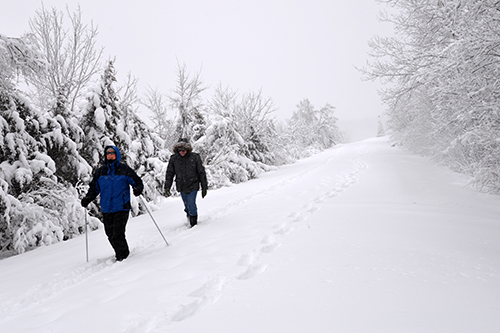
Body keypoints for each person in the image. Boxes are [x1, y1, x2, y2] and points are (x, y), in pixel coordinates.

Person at [81, 145, 143, 261]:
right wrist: (88, 198)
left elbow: (137, 181)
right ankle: (121, 253)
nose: (110, 156)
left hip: (122, 207)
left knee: (118, 233)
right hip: (106, 208)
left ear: (117, 155)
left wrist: (138, 188)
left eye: (112, 154)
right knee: (110, 234)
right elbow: (94, 188)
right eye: (108, 154)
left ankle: (122, 257)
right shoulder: (101, 172)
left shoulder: (124, 169)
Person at [164, 138, 208, 227]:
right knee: (186, 205)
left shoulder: (195, 157)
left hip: (193, 184)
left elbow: (201, 173)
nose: (182, 152)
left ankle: (193, 223)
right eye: (180, 150)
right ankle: (189, 218)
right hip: (181, 186)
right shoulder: (174, 159)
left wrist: (204, 187)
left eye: (184, 150)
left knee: (191, 203)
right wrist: (167, 187)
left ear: (188, 149)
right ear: (177, 150)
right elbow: (170, 173)